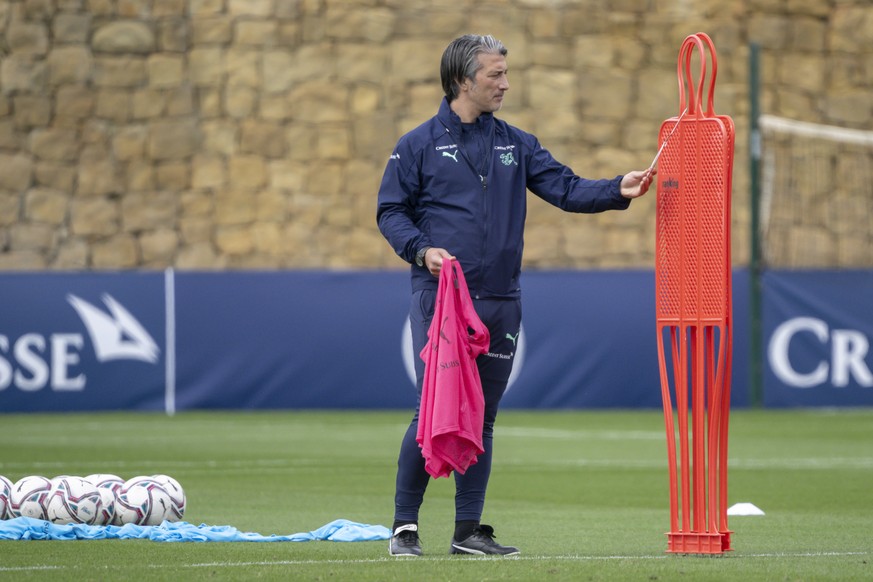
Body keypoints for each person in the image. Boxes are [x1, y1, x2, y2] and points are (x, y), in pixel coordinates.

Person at [376, 34, 655, 557]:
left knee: (481, 417)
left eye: (505, 73)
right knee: (431, 410)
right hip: (442, 298)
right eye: (495, 75)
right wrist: (421, 251)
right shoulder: (416, 144)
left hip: (502, 297)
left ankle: (467, 533)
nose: (505, 83)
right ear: (463, 80)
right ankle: (404, 528)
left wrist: (618, 188)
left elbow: (566, 189)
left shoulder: (517, 142)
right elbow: (391, 211)